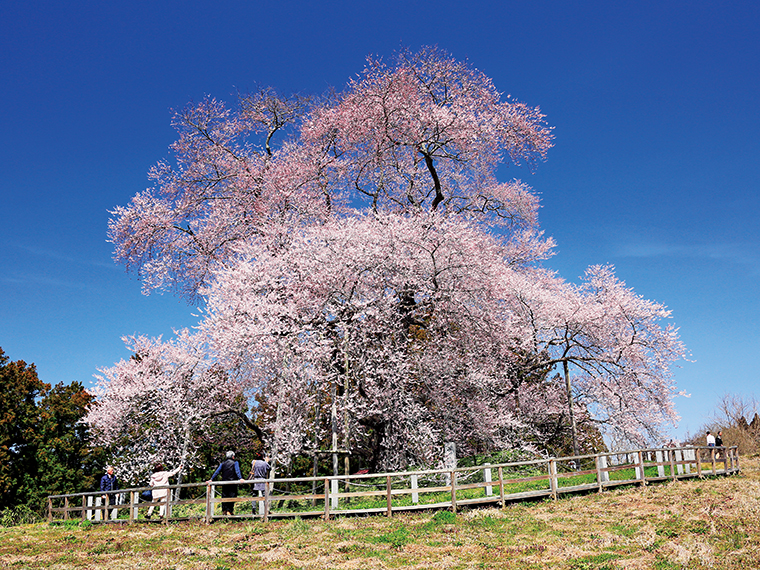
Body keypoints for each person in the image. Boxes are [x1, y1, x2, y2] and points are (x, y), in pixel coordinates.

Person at [209, 451, 243, 516]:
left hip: (224, 483)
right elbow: (237, 471)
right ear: (233, 456)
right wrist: (240, 478)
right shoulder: (235, 463)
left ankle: (224, 510)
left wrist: (211, 479)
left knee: (224, 496)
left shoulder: (223, 463)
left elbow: (217, 471)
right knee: (232, 496)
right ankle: (229, 511)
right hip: (233, 482)